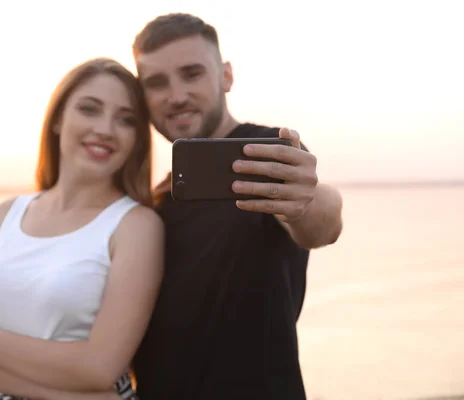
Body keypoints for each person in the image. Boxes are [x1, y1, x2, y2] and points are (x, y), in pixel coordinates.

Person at [127, 13, 344, 400]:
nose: (175, 96)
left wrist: (306, 202)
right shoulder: (153, 202)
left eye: (191, 74)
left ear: (226, 76)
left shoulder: (265, 155)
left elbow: (320, 223)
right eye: (156, 83)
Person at [0, 58, 164, 400]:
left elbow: (100, 367)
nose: (105, 128)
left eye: (125, 120)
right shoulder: (6, 214)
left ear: (136, 139)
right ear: (58, 118)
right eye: (89, 109)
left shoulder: (136, 226)